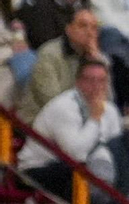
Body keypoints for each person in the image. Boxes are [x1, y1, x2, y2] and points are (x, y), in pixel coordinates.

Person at [20, 57, 121, 191]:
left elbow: (116, 149)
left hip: (78, 168)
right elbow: (75, 155)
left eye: (102, 80)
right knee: (81, 173)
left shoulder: (110, 110)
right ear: (78, 82)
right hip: (40, 169)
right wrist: (95, 119)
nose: (96, 86)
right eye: (90, 80)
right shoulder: (63, 106)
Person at [20, 5, 101, 124]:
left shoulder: (97, 58)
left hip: (78, 120)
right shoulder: (49, 54)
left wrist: (96, 63)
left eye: (94, 28)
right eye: (83, 26)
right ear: (68, 29)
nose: (89, 32)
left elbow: (106, 100)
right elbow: (53, 103)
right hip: (37, 122)